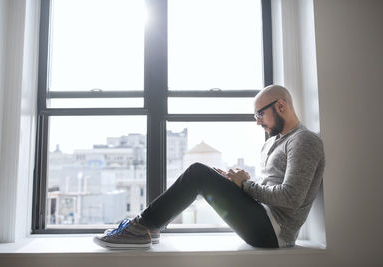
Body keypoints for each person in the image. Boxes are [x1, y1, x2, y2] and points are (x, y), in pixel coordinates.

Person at [93, 85, 325, 249]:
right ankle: (150, 228)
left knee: (198, 173)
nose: (257, 121)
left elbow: (292, 197)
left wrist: (244, 185)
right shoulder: (274, 142)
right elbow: (267, 189)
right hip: (262, 217)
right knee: (209, 173)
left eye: (259, 113)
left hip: (275, 233)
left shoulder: (304, 140)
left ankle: (139, 227)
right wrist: (234, 183)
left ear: (281, 105)